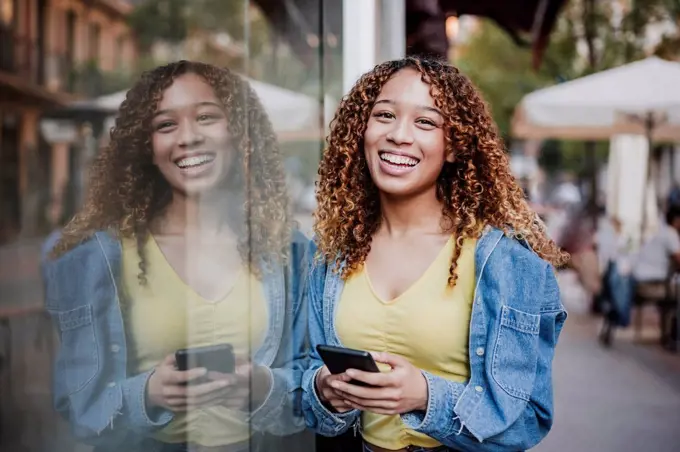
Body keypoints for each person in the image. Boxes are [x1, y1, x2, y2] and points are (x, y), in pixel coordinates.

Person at [301, 57, 568, 452]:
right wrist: (324, 390)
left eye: (425, 122)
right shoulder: (334, 257)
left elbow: (529, 419)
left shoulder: (507, 263)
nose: (399, 134)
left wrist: (425, 397)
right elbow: (308, 390)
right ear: (362, 131)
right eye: (385, 115)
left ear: (455, 147)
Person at [42, 61, 307, 452]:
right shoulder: (99, 258)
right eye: (166, 125)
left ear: (237, 133)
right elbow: (76, 402)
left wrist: (265, 387)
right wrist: (147, 393)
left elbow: (314, 383)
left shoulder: (289, 251)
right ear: (146, 147)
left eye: (206, 117)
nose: (188, 138)